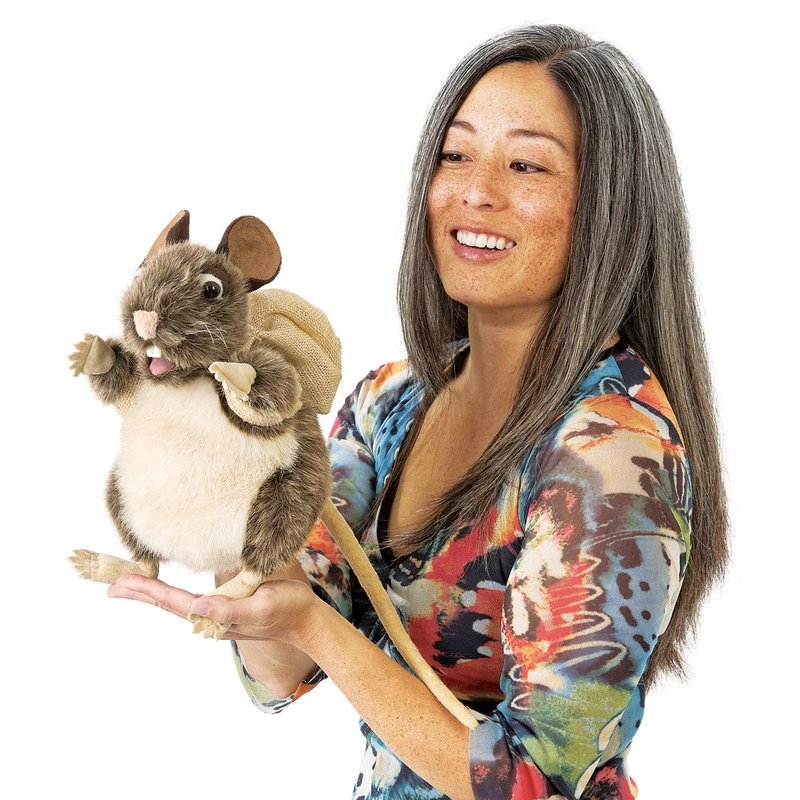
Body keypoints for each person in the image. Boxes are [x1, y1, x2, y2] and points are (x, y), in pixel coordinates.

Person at [108, 23, 729, 800]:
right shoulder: (388, 403)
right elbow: (280, 662)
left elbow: (536, 782)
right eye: (455, 154)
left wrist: (313, 628)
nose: (476, 192)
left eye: (526, 164)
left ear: (610, 207)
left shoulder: (611, 450)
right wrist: (224, 450)